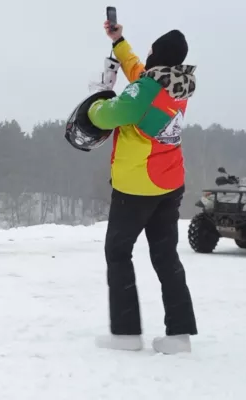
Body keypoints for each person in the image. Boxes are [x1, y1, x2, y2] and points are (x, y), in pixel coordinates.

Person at [85, 21, 198, 354]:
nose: (146, 56)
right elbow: (139, 71)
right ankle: (179, 336)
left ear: (158, 56)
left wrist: (94, 101)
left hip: (137, 187)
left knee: (118, 253)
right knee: (165, 256)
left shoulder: (143, 91)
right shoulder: (176, 85)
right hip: (170, 182)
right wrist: (119, 42)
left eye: (151, 50)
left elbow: (107, 115)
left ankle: (126, 334)